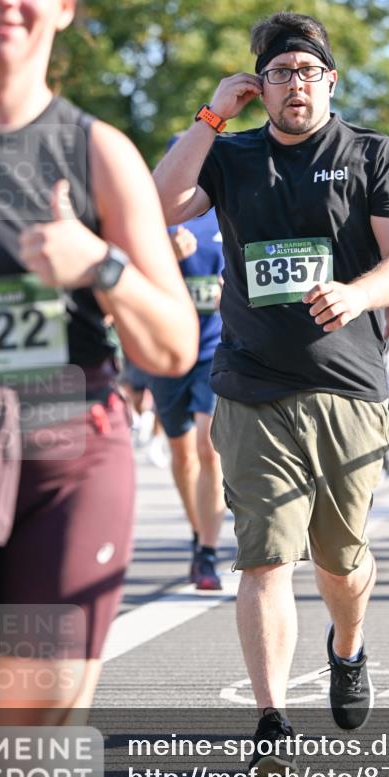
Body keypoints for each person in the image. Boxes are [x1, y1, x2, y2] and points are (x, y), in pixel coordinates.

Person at [0, 0, 198, 777]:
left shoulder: (99, 152)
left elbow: (172, 347)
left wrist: (102, 267)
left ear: (64, 5)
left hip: (65, 467)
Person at [154, 11, 389, 777]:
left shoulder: (371, 153)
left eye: (307, 73)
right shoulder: (230, 157)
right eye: (278, 73)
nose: (293, 85)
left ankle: (347, 646)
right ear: (259, 86)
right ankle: (271, 717)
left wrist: (356, 292)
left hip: (347, 386)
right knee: (265, 558)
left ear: (330, 82)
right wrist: (210, 115)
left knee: (339, 563)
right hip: (251, 386)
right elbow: (156, 204)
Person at [148, 207, 226, 591]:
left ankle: (208, 553)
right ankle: (199, 532)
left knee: (208, 447)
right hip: (165, 351)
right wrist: (166, 256)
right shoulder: (155, 215)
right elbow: (127, 276)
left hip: (214, 349)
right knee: (181, 454)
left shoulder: (226, 208)